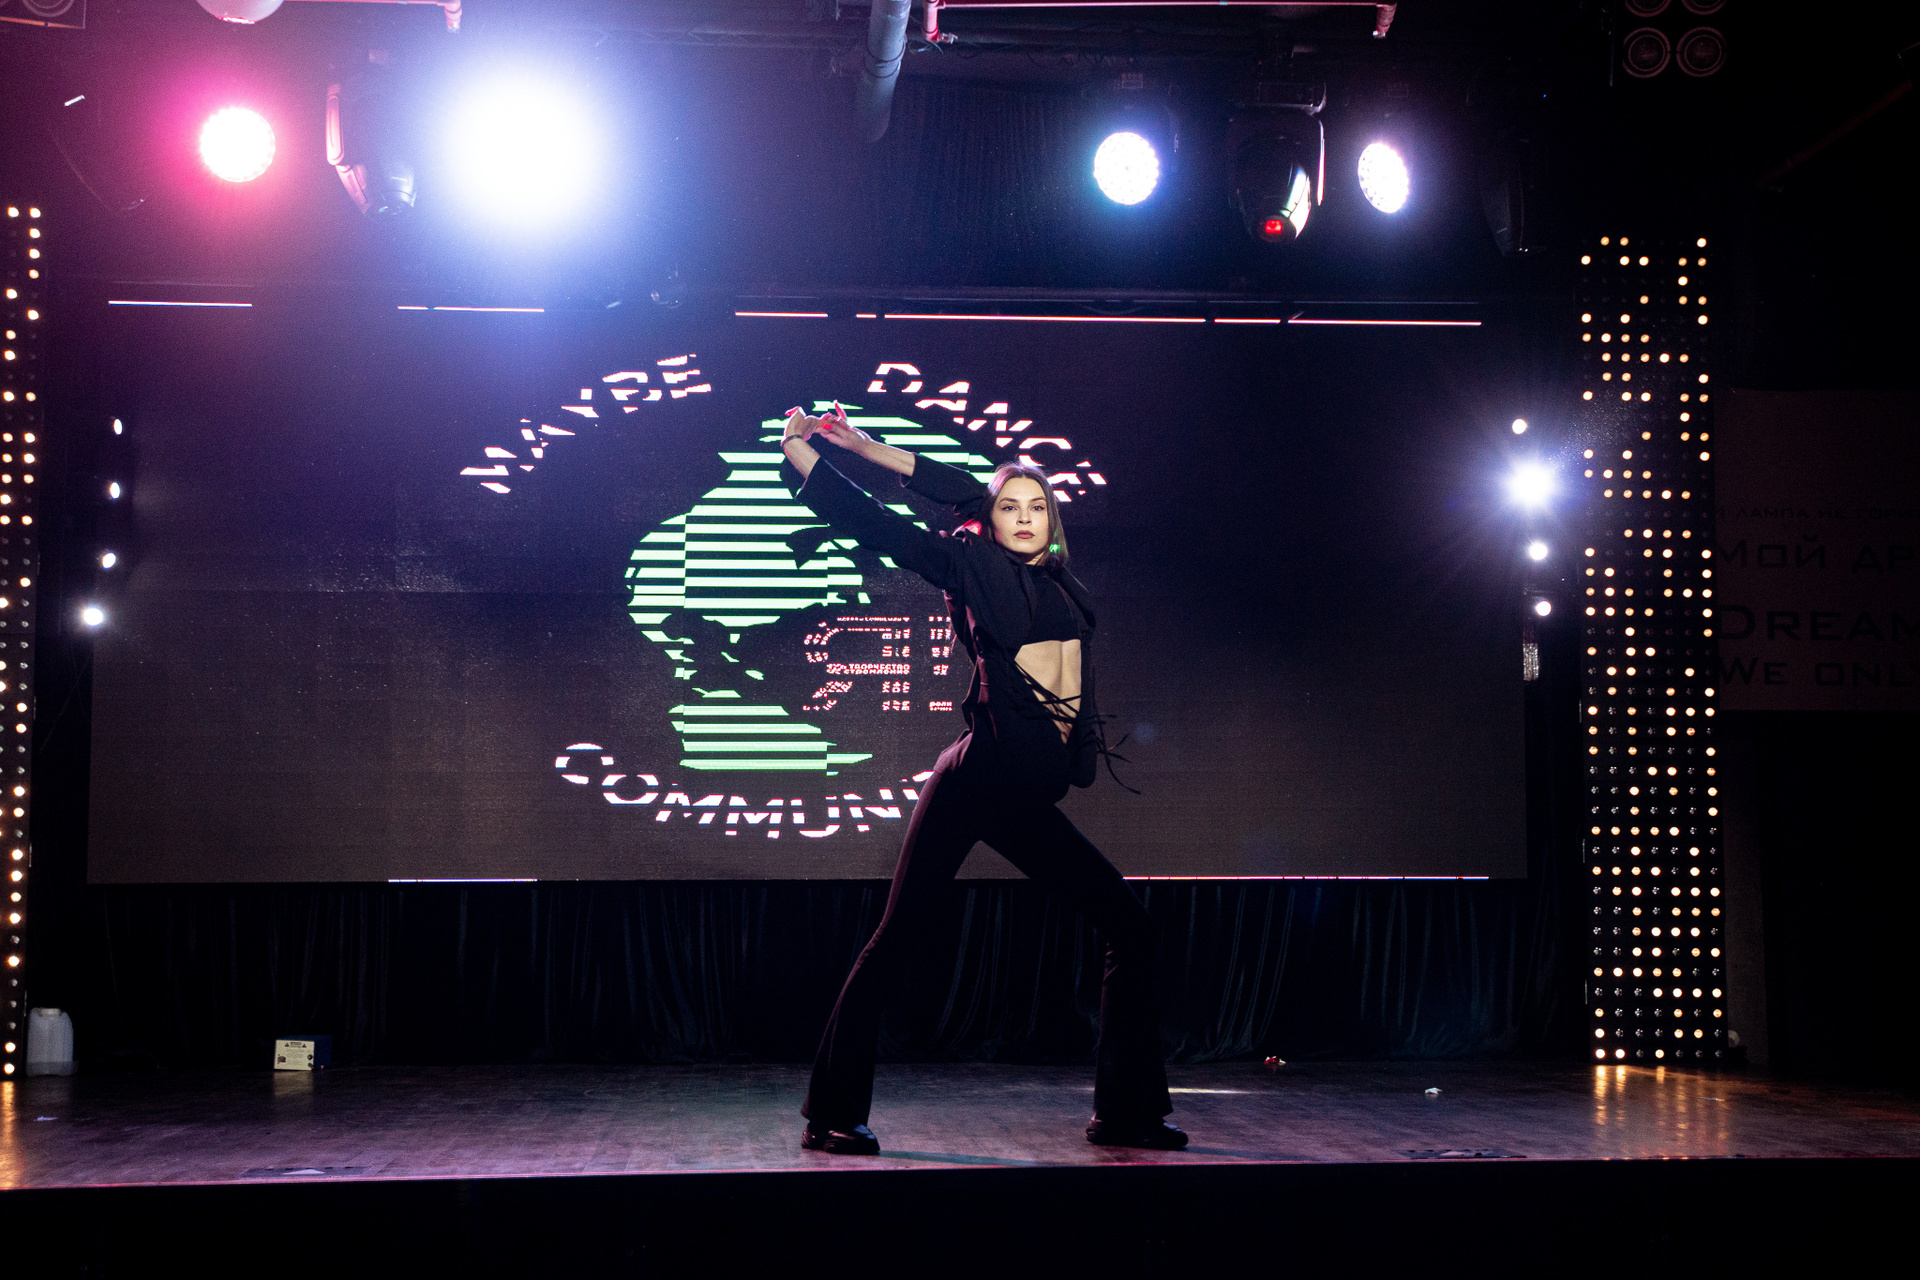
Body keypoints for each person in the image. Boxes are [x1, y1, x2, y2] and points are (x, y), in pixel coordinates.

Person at [780, 405, 1185, 1154]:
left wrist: (870, 444)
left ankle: (1126, 1112)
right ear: (989, 522)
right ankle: (829, 1113)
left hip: (1026, 789)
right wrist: (815, 455)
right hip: (978, 778)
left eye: (1037, 507)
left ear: (1052, 521)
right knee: (897, 937)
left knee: (1131, 927)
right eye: (1008, 508)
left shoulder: (1061, 584)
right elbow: (884, 525)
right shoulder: (968, 567)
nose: (1023, 517)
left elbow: (967, 487)